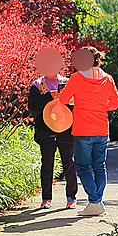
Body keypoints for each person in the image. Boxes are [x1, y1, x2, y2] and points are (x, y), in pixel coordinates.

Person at [58, 46, 118, 216]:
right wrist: (100, 106)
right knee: (99, 166)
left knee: (82, 166)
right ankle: (97, 202)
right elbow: (116, 102)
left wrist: (77, 102)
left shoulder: (77, 78)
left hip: (83, 129)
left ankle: (95, 201)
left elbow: (63, 99)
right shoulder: (107, 79)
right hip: (102, 128)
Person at [28, 73, 77, 209]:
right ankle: (46, 198)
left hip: (66, 128)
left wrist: (65, 98)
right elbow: (33, 108)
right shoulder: (37, 85)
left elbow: (75, 104)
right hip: (45, 131)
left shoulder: (67, 82)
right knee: (47, 164)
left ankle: (71, 197)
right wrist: (48, 97)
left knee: (68, 163)